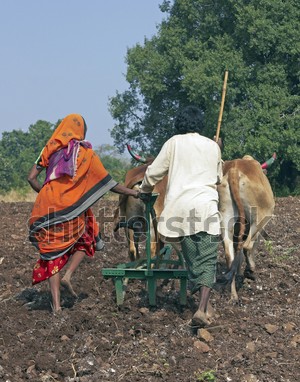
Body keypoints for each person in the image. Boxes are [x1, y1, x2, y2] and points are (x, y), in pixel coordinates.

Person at [28, 113, 140, 314]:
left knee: (51, 254)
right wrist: (134, 192)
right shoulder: (86, 153)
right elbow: (109, 183)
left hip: (46, 208)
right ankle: (68, 275)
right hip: (71, 208)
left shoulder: (49, 149)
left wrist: (46, 195)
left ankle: (57, 307)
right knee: (87, 236)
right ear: (81, 132)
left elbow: (31, 178)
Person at [139, 105, 223, 327]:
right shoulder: (212, 146)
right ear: (200, 125)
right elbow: (218, 177)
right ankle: (203, 308)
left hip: (181, 210)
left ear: (180, 123)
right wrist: (218, 149)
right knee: (207, 261)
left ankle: (202, 309)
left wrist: (145, 190)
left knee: (193, 260)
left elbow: (154, 172)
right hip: (205, 208)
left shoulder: (173, 143)